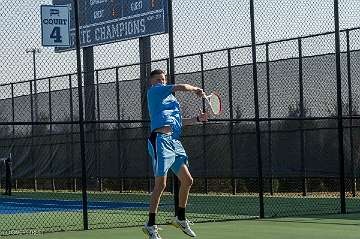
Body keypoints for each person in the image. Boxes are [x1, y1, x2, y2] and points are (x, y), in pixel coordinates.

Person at [143, 69, 208, 239]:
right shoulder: (155, 91)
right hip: (160, 141)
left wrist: (197, 119)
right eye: (158, 79)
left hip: (175, 142)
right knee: (161, 185)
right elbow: (180, 86)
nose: (161, 81)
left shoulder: (172, 100)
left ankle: (180, 218)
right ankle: (150, 225)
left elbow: (179, 122)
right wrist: (195, 89)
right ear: (152, 82)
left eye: (163, 79)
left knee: (187, 180)